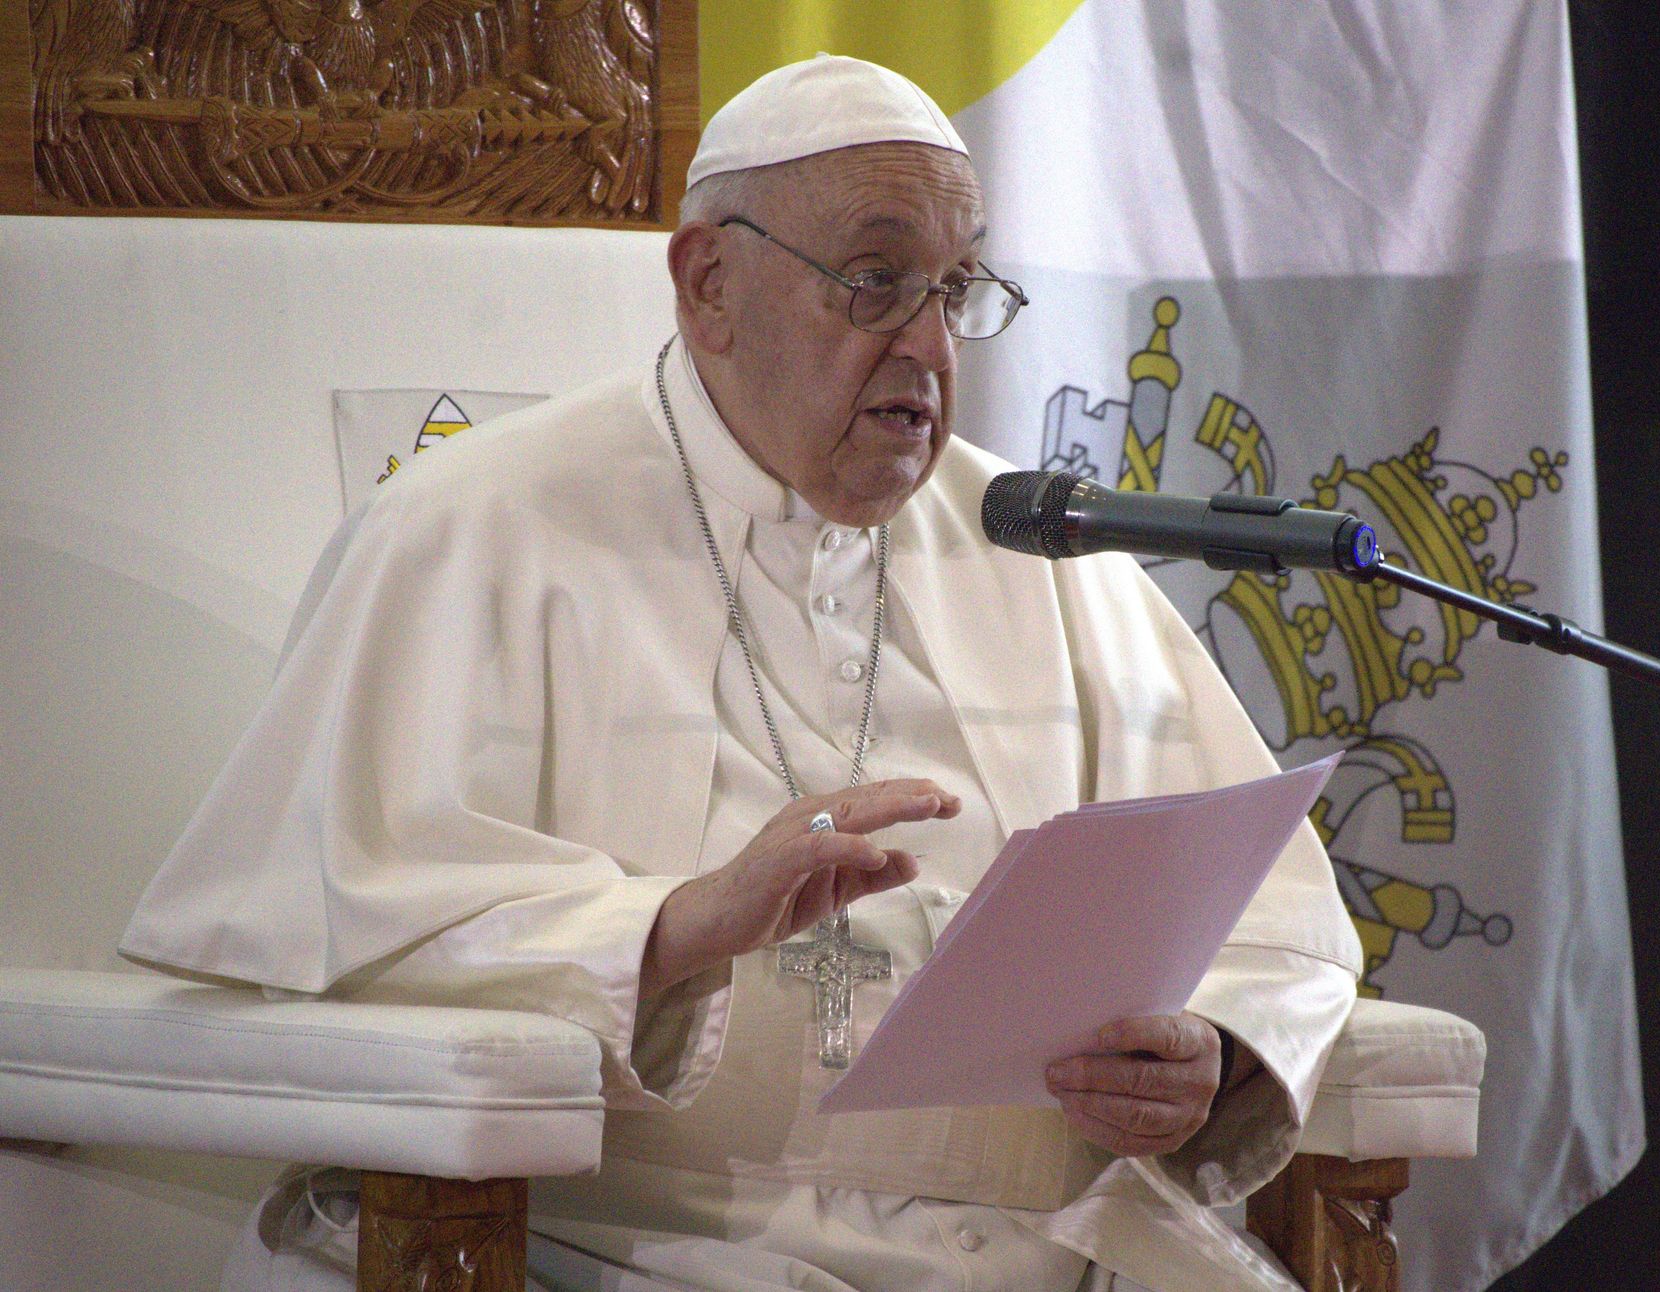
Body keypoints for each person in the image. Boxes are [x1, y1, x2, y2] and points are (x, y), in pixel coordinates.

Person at [121, 55, 1363, 1292]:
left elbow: (1274, 924)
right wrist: (673, 928)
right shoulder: (471, 528)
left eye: (955, 289)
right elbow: (330, 931)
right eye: (875, 282)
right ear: (708, 282)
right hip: (612, 1249)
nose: (929, 345)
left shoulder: (1031, 544)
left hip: (1044, 1257)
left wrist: (1207, 1056)